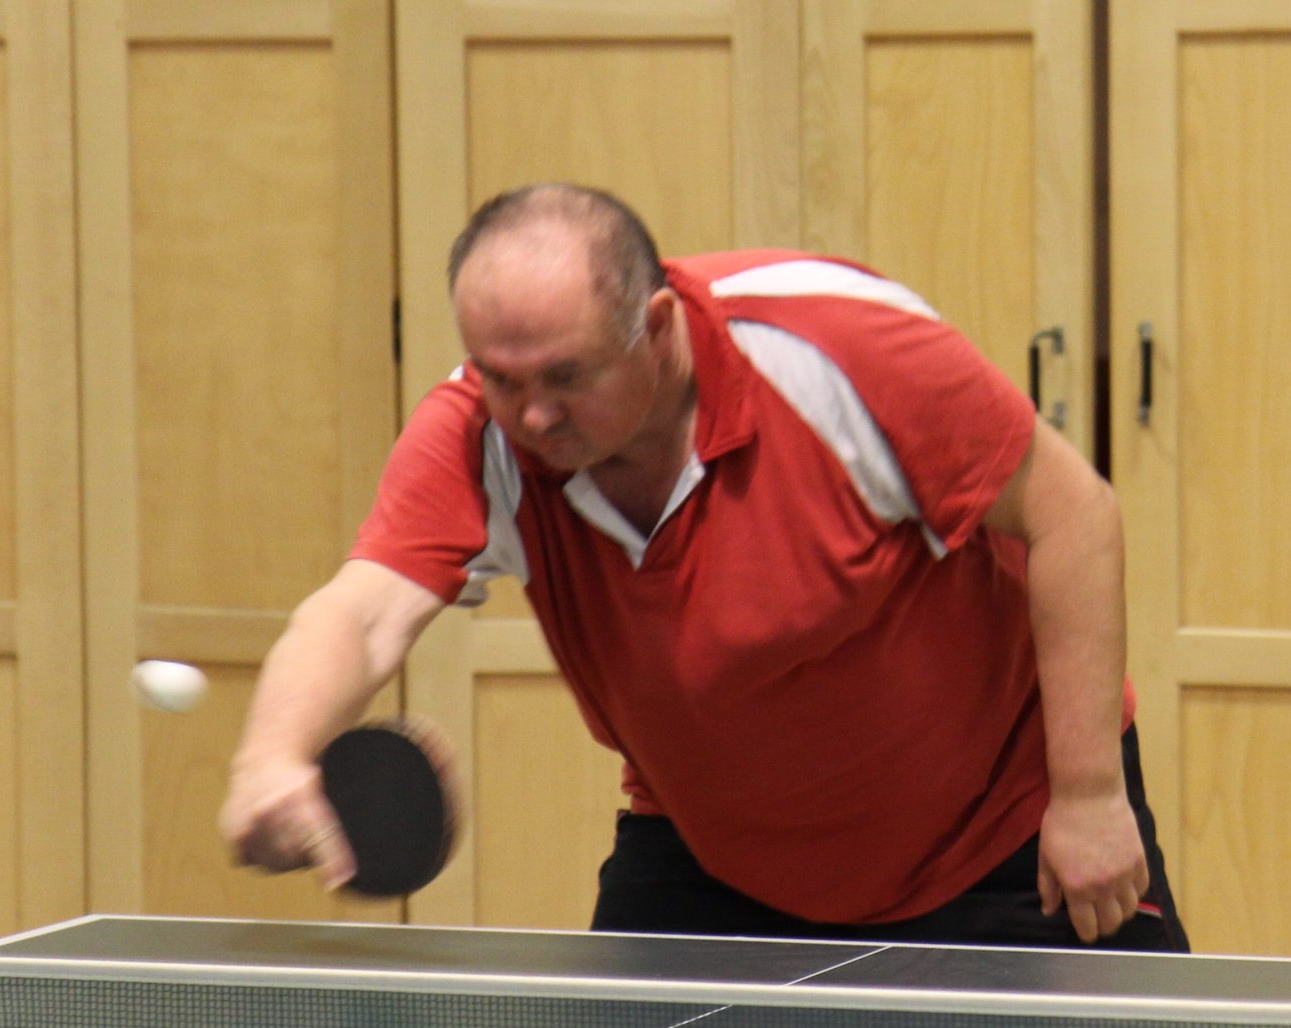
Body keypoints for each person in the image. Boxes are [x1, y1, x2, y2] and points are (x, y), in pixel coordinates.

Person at [220, 183, 1188, 952]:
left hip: (1002, 833)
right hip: (715, 858)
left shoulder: (836, 350)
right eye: (500, 377)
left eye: (567, 376)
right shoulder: (481, 434)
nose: (534, 414)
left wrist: (1089, 793)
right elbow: (361, 611)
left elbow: (1075, 515)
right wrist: (271, 754)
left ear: (657, 325)